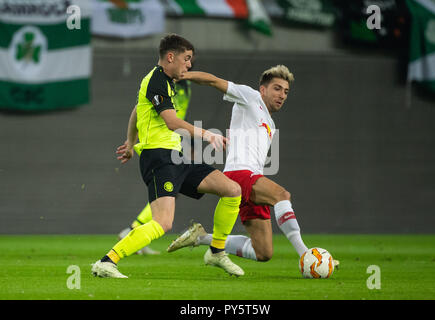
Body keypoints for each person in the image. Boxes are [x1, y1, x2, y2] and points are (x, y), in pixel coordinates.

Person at [91, 34, 244, 278]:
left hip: (177, 155)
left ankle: (216, 252)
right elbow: (172, 122)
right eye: (187, 58)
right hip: (159, 157)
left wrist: (130, 142)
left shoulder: (165, 82)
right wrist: (207, 135)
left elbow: (137, 109)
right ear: (170, 57)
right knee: (163, 223)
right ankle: (107, 261)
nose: (189, 65)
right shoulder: (157, 80)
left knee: (232, 190)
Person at [166, 65, 339, 268]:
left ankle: (201, 238)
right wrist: (183, 75)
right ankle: (307, 256)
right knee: (282, 195)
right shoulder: (250, 97)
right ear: (263, 89)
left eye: (286, 91)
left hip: (252, 177)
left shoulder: (270, 124)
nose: (282, 95)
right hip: (239, 174)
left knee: (263, 252)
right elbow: (213, 81)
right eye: (277, 88)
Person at [117, 80, 192, 255]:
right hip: (161, 145)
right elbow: (140, 108)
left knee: (170, 191)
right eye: (186, 58)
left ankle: (135, 231)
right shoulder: (166, 80)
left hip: (174, 141)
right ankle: (133, 230)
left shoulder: (182, 82)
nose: (188, 64)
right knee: (167, 194)